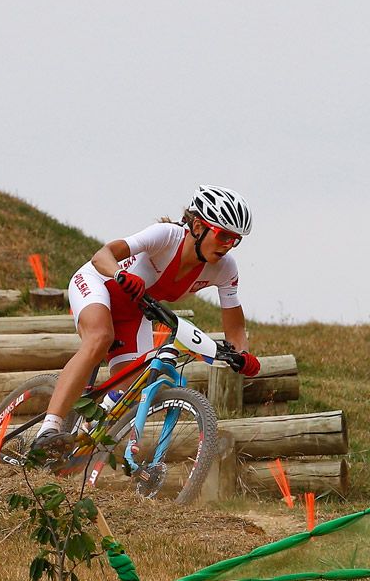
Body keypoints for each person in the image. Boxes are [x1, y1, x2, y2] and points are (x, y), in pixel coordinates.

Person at [31, 185, 262, 451]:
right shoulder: (166, 236)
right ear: (198, 226)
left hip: (135, 311)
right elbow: (101, 256)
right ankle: (49, 428)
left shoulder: (225, 269)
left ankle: (83, 435)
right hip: (99, 283)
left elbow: (235, 326)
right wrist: (119, 273)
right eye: (223, 235)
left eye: (236, 239)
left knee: (135, 384)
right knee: (100, 337)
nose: (228, 245)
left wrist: (242, 355)